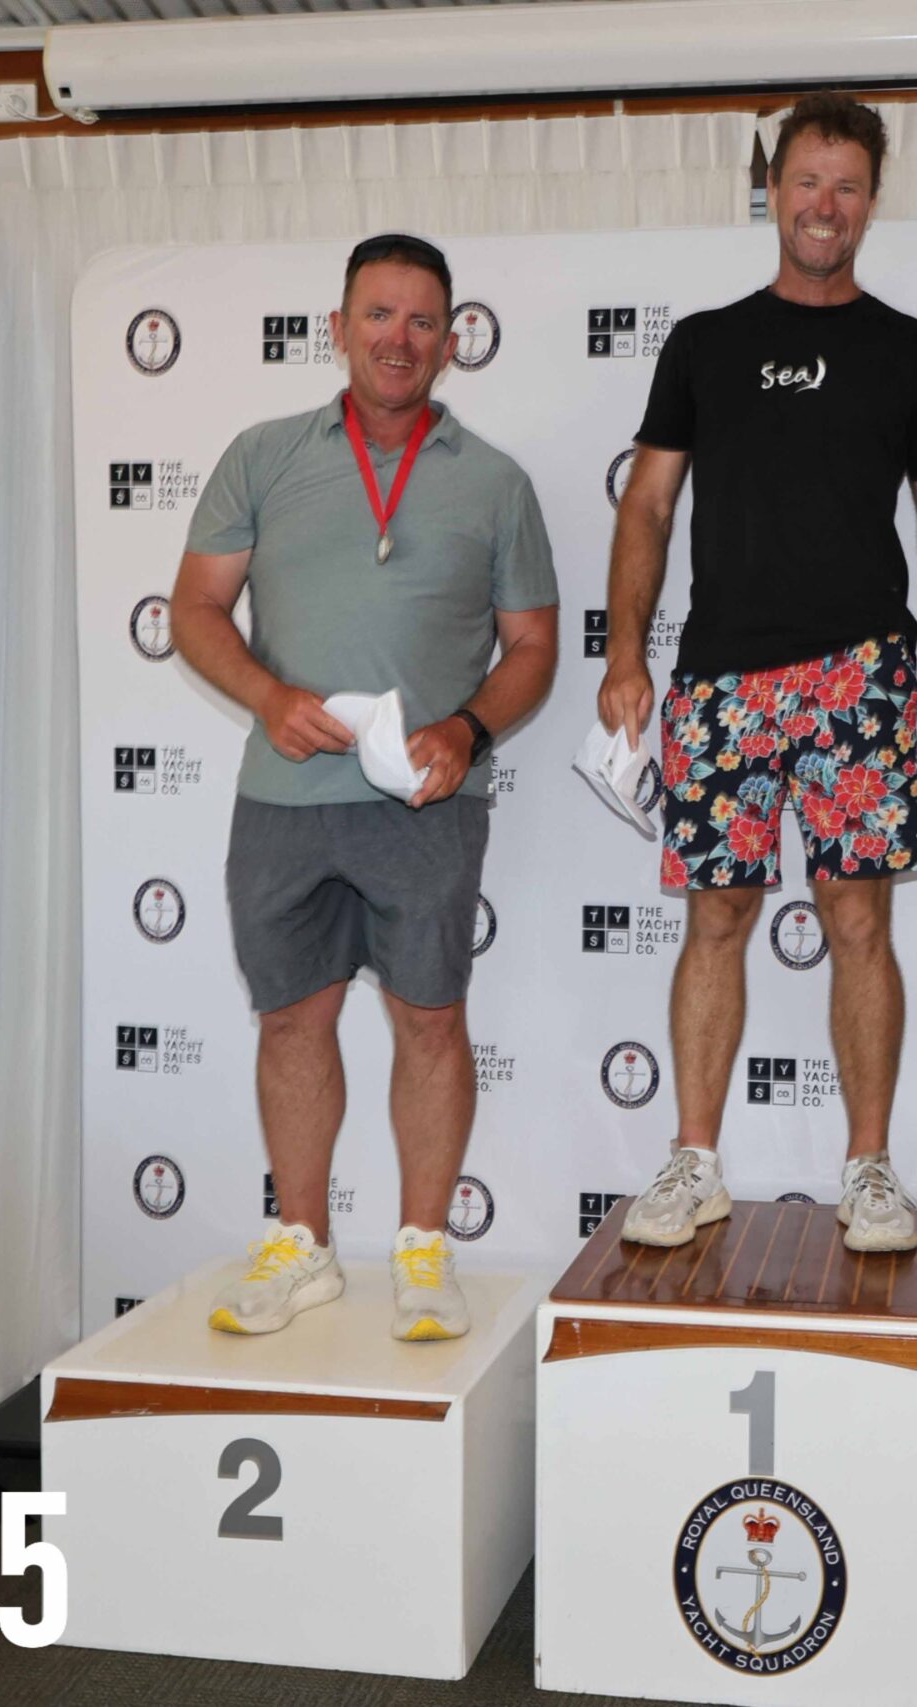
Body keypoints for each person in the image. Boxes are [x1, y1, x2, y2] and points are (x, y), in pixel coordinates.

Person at [598, 92, 917, 1255]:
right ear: (772, 192)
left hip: (861, 674)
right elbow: (647, 504)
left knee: (858, 919)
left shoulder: (910, 352)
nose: (825, 206)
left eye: (847, 186)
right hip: (722, 679)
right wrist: (625, 653)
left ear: (872, 200)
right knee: (716, 918)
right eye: (807, 182)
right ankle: (695, 1162)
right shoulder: (703, 343)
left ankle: (869, 1170)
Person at [170, 234, 558, 1341]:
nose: (400, 338)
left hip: (424, 802)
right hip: (283, 798)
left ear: (452, 341)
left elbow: (534, 646)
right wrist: (265, 694)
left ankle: (424, 1248)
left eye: (422, 320)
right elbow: (194, 608)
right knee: (293, 1020)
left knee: (430, 1021)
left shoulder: (496, 482)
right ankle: (303, 1246)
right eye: (378, 315)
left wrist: (467, 729)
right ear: (337, 329)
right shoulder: (262, 456)